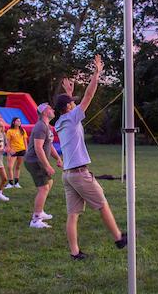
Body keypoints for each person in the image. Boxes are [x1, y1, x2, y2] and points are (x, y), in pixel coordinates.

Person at [54, 57, 127, 260]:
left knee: (73, 215)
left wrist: (67, 94)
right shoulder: (71, 116)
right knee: (102, 203)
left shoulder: (61, 120)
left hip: (68, 175)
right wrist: (97, 73)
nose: (75, 103)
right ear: (69, 107)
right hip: (79, 173)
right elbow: (89, 95)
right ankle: (119, 238)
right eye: (72, 102)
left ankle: (75, 252)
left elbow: (70, 105)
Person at [25, 103, 63, 228]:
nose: (53, 110)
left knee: (49, 183)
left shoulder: (47, 127)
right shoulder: (40, 127)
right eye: (50, 108)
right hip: (34, 161)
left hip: (38, 160)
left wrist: (57, 158)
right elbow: (38, 148)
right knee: (44, 188)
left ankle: (40, 211)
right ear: (44, 112)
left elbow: (49, 145)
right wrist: (47, 166)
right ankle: (36, 220)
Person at [5, 117, 28, 189]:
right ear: (13, 122)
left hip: (22, 150)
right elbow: (7, 142)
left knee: (18, 167)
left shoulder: (22, 130)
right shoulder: (10, 131)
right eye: (17, 121)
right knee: (9, 167)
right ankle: (10, 183)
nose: (19, 122)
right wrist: (9, 150)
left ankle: (16, 183)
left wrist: (26, 149)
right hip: (13, 151)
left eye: (20, 121)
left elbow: (25, 141)